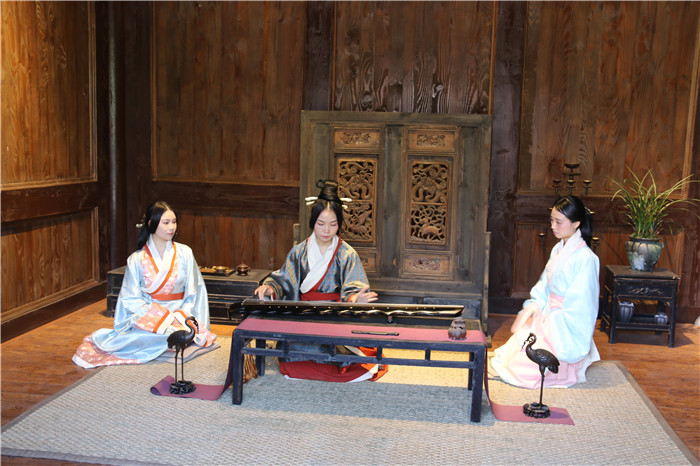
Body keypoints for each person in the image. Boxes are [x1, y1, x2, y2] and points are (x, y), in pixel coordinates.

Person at [254, 179, 384, 382]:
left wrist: (355, 299)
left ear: (339, 224)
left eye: (333, 224)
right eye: (321, 224)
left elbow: (354, 286)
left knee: (332, 347)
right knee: (296, 346)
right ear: (313, 222)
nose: (326, 230)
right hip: (303, 314)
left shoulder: (346, 254)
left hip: (334, 315)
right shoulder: (299, 252)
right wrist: (271, 287)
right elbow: (285, 280)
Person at [73, 201, 216, 368]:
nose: (171, 227)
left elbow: (195, 291)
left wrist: (180, 316)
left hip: (180, 313)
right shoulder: (136, 259)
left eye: (174, 222)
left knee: (180, 332)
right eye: (166, 222)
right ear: (151, 224)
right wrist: (158, 317)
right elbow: (130, 298)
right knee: (151, 335)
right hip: (150, 315)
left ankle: (172, 339)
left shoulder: (185, 253)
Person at [490, 195, 600, 388]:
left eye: (559, 222)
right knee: (510, 357)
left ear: (576, 223)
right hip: (548, 314)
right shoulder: (558, 248)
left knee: (526, 368)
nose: (553, 226)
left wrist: (555, 320)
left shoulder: (586, 258)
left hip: (563, 324)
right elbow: (544, 285)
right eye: (551, 220)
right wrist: (536, 305)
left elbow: (583, 304)